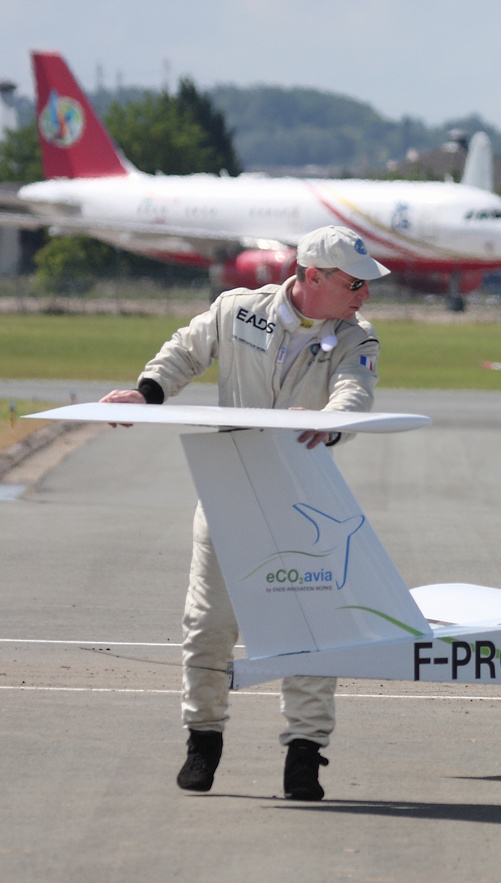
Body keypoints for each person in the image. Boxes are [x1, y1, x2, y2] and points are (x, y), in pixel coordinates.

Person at [100, 226, 388, 801]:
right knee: (207, 626)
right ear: (312, 276)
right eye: (354, 282)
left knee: (314, 631)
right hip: (229, 492)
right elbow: (185, 350)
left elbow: (355, 393)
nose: (364, 293)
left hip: (305, 500)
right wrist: (148, 392)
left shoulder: (358, 336)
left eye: (368, 283)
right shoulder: (237, 310)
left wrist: (330, 418)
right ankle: (202, 741)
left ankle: (304, 755)